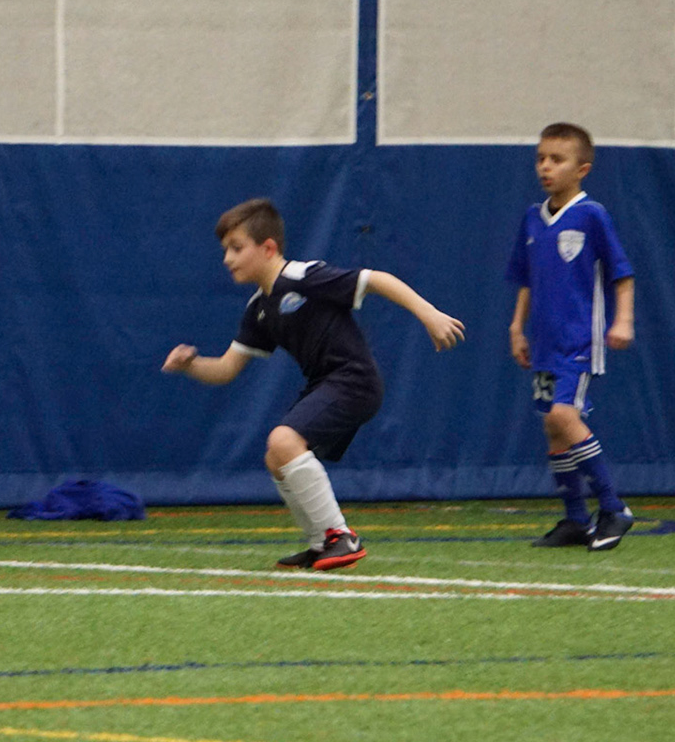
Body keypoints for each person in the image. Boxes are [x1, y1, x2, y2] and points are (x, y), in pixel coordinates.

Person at [163, 198, 465, 570]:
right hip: (325, 384)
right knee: (276, 457)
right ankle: (322, 542)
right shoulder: (258, 308)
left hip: (355, 380)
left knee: (283, 440)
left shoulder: (303, 277)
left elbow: (375, 279)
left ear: (268, 248)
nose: (227, 258)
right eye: (225, 250)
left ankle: (341, 537)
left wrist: (428, 313)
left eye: (237, 248)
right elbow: (226, 369)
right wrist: (191, 365)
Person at [508, 122, 638, 550]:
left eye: (557, 159)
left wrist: (623, 320)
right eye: (541, 158)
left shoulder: (592, 215)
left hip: (580, 341)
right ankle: (576, 519)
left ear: (582, 169)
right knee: (552, 426)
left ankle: (614, 508)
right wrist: (517, 327)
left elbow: (622, 274)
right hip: (545, 343)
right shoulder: (533, 218)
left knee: (565, 416)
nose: (545, 167)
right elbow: (526, 279)